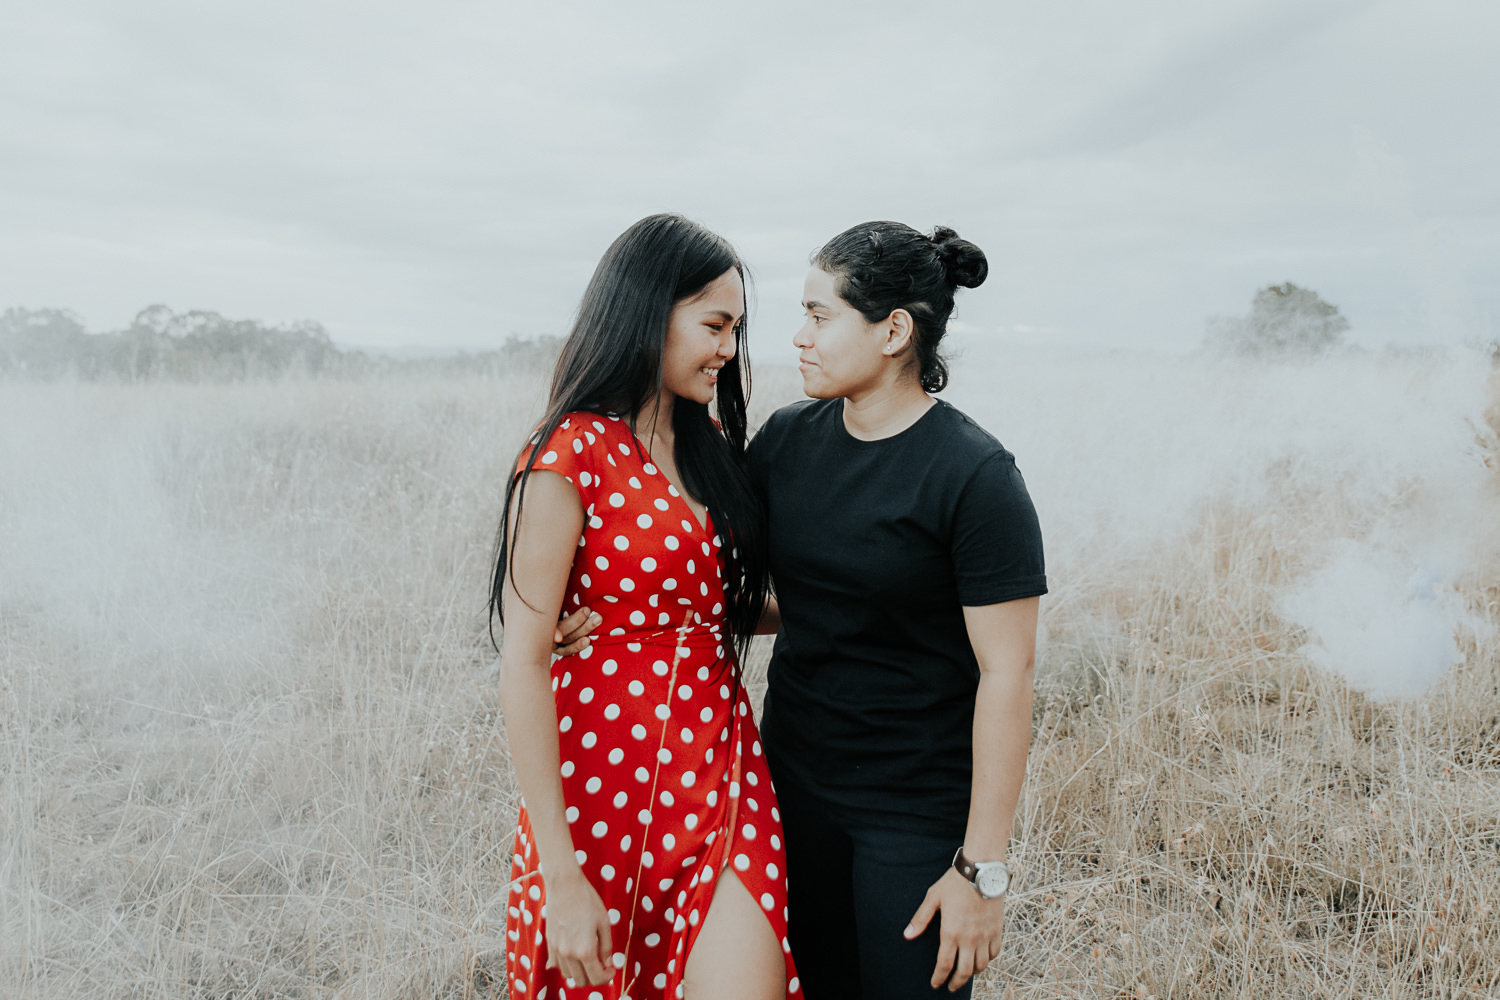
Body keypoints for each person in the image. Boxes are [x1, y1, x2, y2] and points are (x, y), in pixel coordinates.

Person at [491, 214, 802, 1000]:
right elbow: (525, 661)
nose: (729, 349)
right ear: (647, 311)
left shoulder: (712, 449)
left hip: (722, 770)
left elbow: (718, 606)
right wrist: (559, 875)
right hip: (600, 783)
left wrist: (851, 602)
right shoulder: (568, 454)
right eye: (714, 325)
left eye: (736, 328)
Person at [744, 221, 1046, 999]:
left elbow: (1007, 673)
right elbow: (770, 600)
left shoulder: (974, 476)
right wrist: (612, 619)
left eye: (819, 315)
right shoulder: (784, 442)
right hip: (792, 788)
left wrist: (981, 871)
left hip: (914, 814)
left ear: (893, 330)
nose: (798, 337)